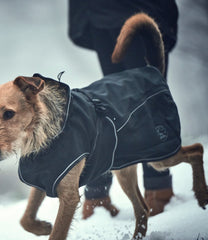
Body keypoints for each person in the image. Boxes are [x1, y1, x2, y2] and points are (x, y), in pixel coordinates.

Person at [67, 0, 179, 218]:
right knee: (134, 101)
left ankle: (106, 194)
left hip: (114, 11)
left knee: (136, 101)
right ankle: (153, 190)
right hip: (111, 12)